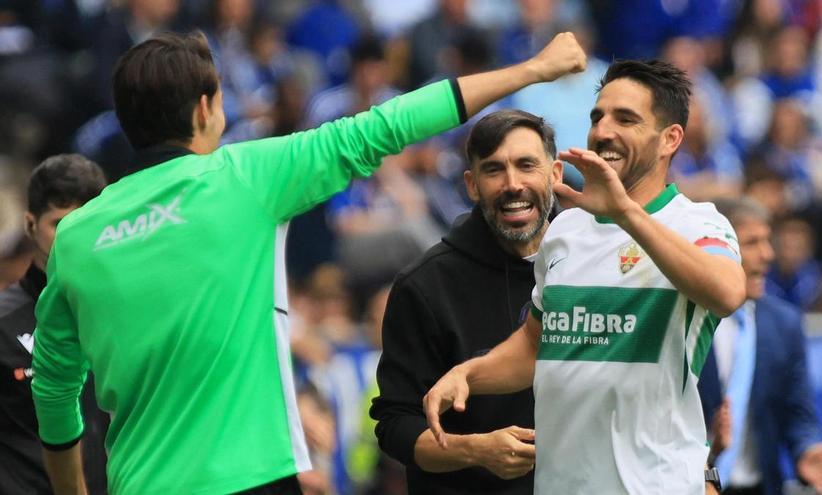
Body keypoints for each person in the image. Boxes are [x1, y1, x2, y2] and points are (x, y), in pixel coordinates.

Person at [30, 30, 586, 495]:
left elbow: (54, 390)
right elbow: (387, 125)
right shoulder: (246, 177)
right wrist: (533, 69)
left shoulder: (77, 236)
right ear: (205, 108)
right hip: (255, 478)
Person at [423, 59, 748, 494]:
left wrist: (626, 214)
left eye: (626, 119)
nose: (603, 130)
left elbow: (728, 292)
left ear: (670, 139)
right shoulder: (566, 230)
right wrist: (469, 374)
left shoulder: (697, 224)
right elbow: (537, 343)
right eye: (598, 116)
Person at [371, 109, 563, 494]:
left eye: (527, 165)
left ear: (555, 174)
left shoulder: (595, 266)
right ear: (472, 185)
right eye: (494, 170)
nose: (513, 184)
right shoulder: (425, 286)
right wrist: (473, 451)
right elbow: (396, 425)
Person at [699, 198, 822, 495]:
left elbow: (798, 411)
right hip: (692, 485)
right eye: (752, 242)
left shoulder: (784, 323)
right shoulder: (683, 320)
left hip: (760, 487)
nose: (768, 254)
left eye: (768, 240)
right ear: (717, 248)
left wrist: (806, 449)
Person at [1, 154, 108, 494]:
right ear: (30, 225)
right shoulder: (2, 325)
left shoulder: (128, 312)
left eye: (87, 223)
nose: (74, 240)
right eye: (60, 224)